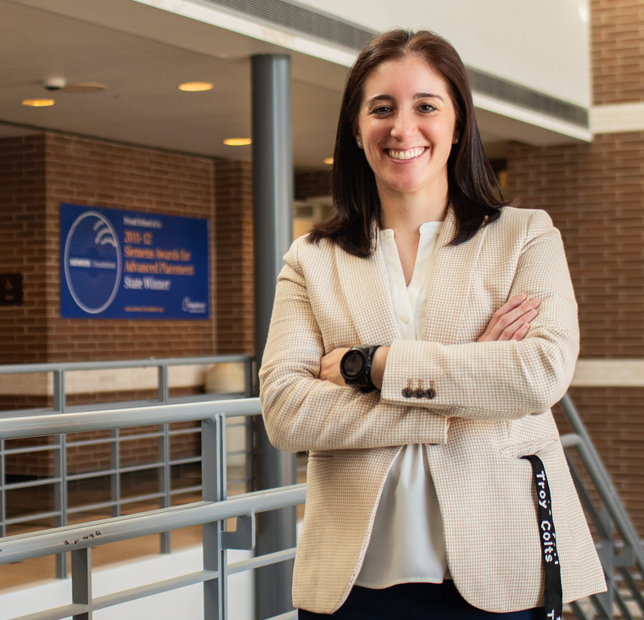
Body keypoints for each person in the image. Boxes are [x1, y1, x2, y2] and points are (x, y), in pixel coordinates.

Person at [259, 30, 608, 618]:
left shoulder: (525, 237)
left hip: (500, 564)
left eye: (425, 105)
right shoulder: (311, 259)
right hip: (352, 579)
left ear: (458, 122)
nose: (402, 128)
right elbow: (286, 411)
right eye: (381, 108)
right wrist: (467, 385)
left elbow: (539, 374)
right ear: (355, 127)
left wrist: (371, 366)